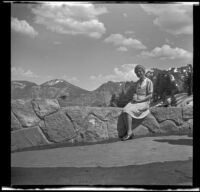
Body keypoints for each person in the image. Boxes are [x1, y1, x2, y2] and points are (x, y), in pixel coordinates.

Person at [121, 64, 153, 141]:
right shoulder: (138, 82)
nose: (138, 73)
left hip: (144, 102)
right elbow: (136, 92)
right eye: (137, 72)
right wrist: (135, 97)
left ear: (143, 72)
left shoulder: (149, 82)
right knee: (124, 110)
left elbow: (150, 95)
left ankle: (129, 132)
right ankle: (129, 131)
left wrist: (140, 100)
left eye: (140, 71)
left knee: (128, 111)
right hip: (136, 101)